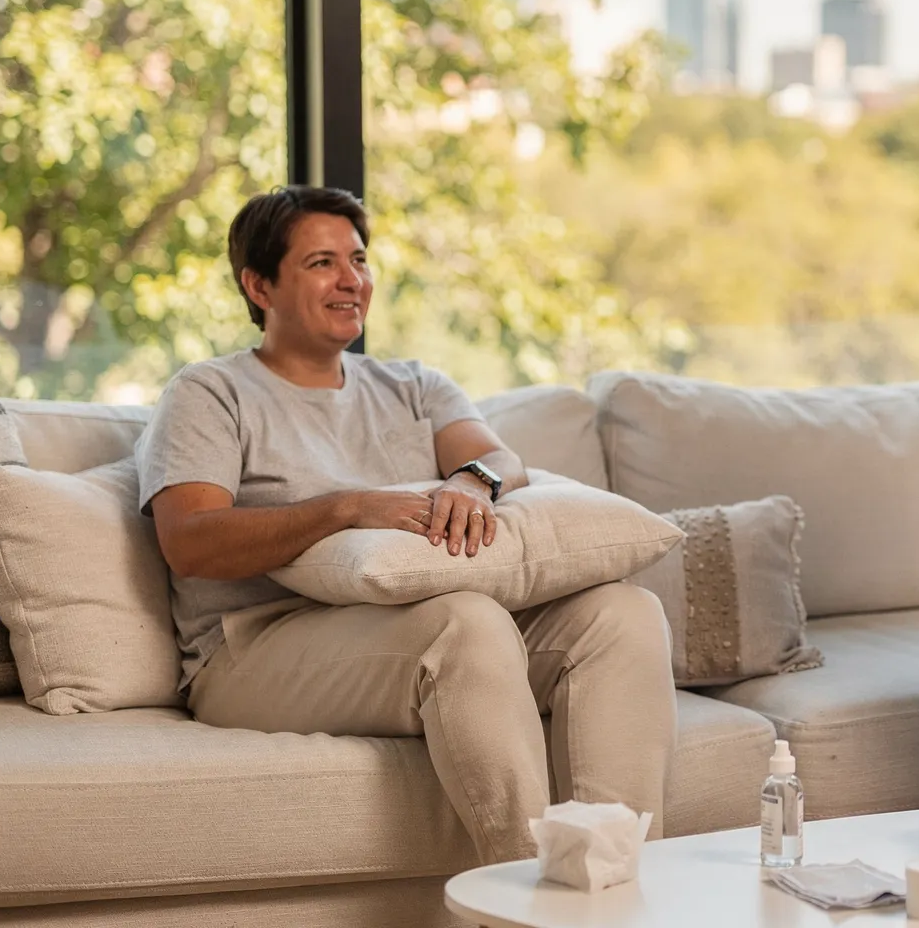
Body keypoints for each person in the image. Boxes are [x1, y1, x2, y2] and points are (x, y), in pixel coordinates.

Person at [135, 185, 675, 863]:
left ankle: (612, 881)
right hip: (252, 647)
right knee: (467, 621)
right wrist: (348, 508)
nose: (352, 280)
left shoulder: (412, 385)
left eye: (359, 260)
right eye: (321, 263)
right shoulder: (210, 392)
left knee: (622, 614)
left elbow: (496, 458)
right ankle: (519, 901)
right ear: (259, 285)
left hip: (410, 630)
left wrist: (470, 480)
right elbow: (189, 541)